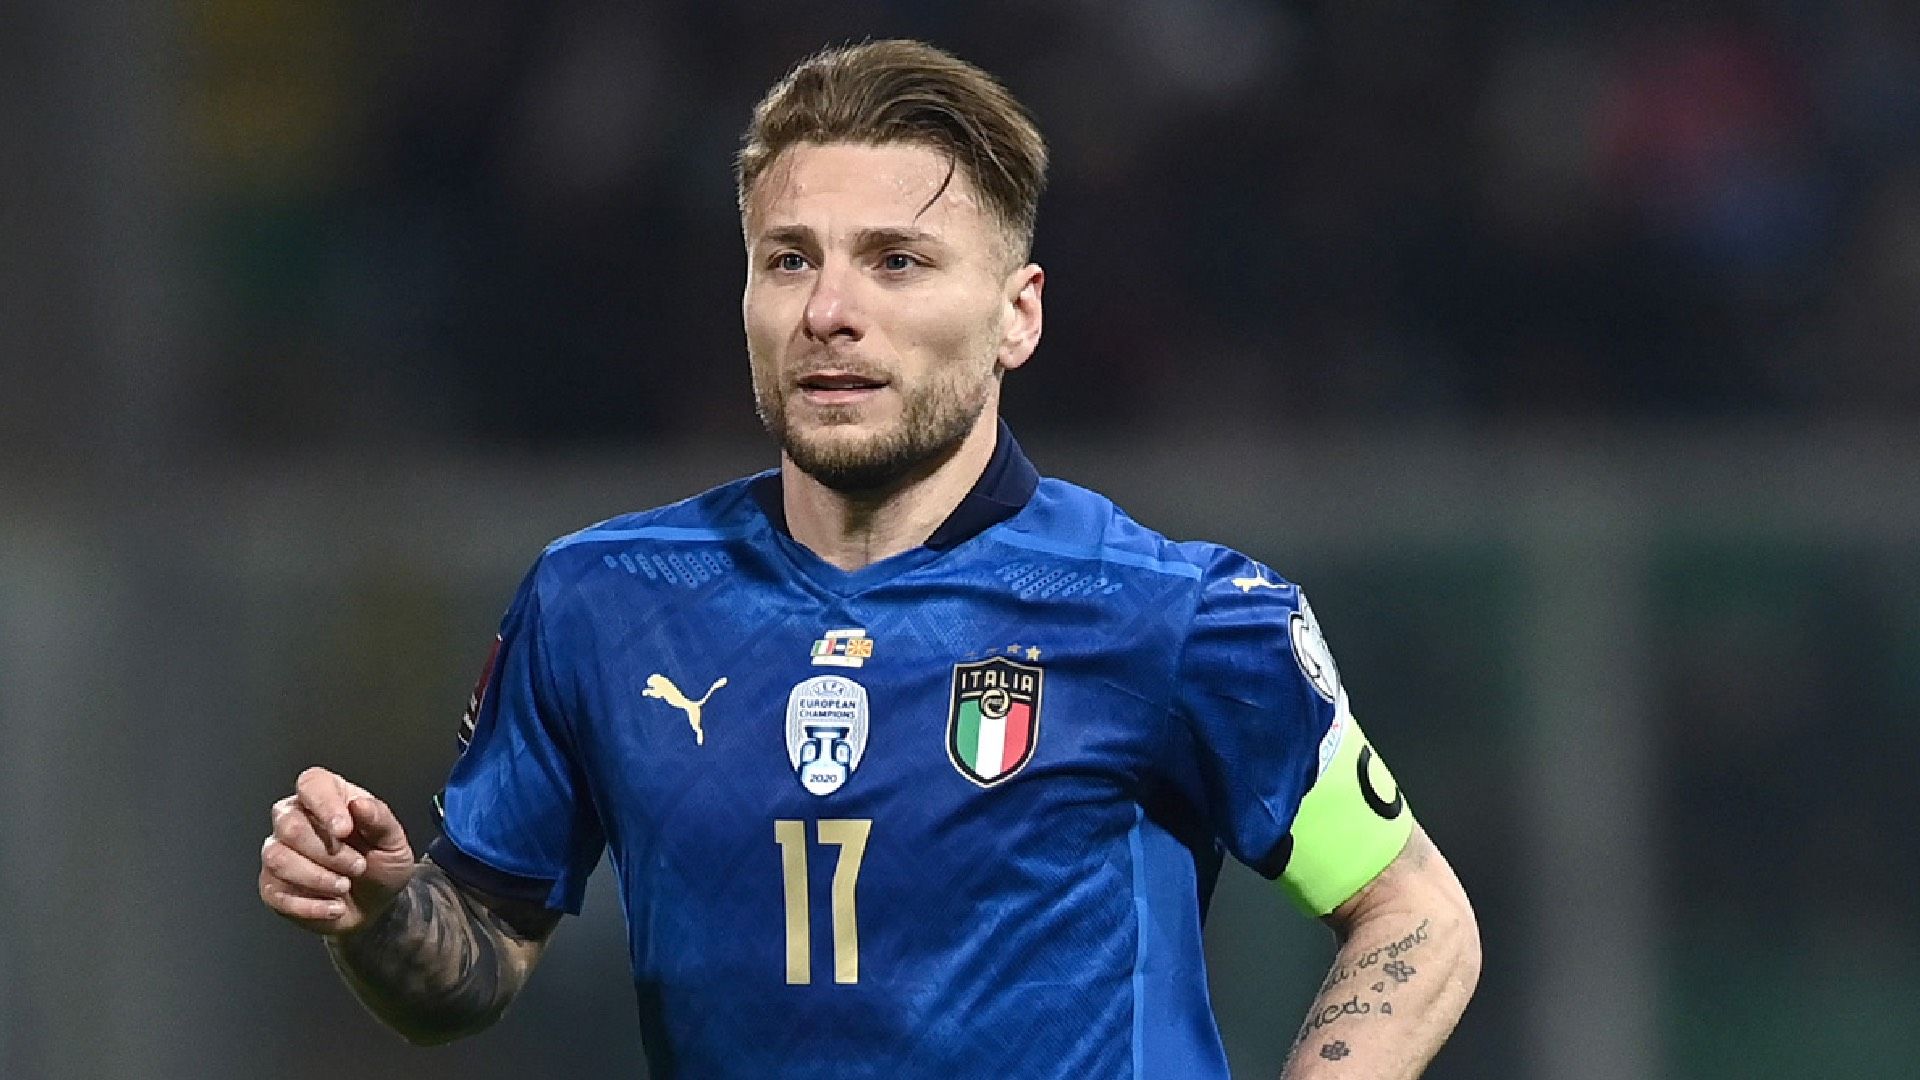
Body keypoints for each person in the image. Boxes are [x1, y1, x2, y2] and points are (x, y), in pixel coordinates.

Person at [258, 39, 1480, 1078]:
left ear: (1017, 314)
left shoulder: (1174, 614)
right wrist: (377, 912)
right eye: (790, 258)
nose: (829, 311)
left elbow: (1415, 916)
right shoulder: (601, 602)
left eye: (897, 261)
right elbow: (473, 958)